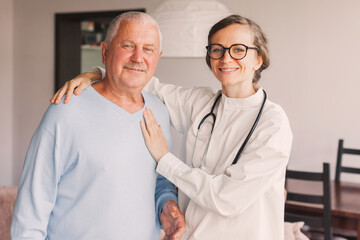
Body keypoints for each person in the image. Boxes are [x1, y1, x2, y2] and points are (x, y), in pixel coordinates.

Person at [52, 14, 293, 240]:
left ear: (259, 59)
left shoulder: (272, 123)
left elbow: (226, 199)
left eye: (238, 50)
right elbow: (143, 81)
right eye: (217, 50)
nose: (226, 58)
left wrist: (164, 158)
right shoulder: (202, 102)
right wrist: (95, 74)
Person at [11, 12, 185, 240]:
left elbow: (161, 178)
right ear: (105, 51)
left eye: (148, 49)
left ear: (158, 57)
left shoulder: (159, 111)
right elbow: (31, 209)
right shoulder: (65, 111)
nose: (138, 57)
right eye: (128, 45)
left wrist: (167, 204)